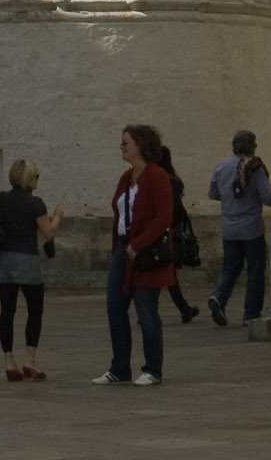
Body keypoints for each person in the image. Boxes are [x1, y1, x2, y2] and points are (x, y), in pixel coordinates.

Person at [94, 123, 174, 387]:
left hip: (146, 253)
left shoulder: (157, 176)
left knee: (146, 310)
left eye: (126, 142)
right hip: (123, 251)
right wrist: (120, 246)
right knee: (115, 308)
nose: (122, 146)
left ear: (140, 145)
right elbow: (119, 213)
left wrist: (138, 244)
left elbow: (163, 216)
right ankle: (119, 368)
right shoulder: (126, 178)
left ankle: (153, 368)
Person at [0, 158, 64, 381]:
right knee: (34, 311)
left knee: (6, 312)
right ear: (30, 179)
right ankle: (30, 361)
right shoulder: (35, 203)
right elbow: (47, 233)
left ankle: (9, 362)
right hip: (27, 261)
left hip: (4, 261)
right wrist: (57, 217)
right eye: (36, 176)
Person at [207, 128, 271, 326]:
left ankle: (219, 297)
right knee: (255, 270)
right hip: (251, 229)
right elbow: (268, 197)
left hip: (229, 228)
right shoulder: (255, 168)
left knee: (230, 268)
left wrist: (229, 199)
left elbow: (213, 193)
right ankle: (251, 314)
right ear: (252, 146)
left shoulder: (221, 167)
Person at [155, 144, 200, 324]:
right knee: (165, 272)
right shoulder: (170, 179)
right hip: (168, 231)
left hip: (164, 230)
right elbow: (176, 209)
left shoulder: (158, 179)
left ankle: (182, 308)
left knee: (164, 272)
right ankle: (182, 308)